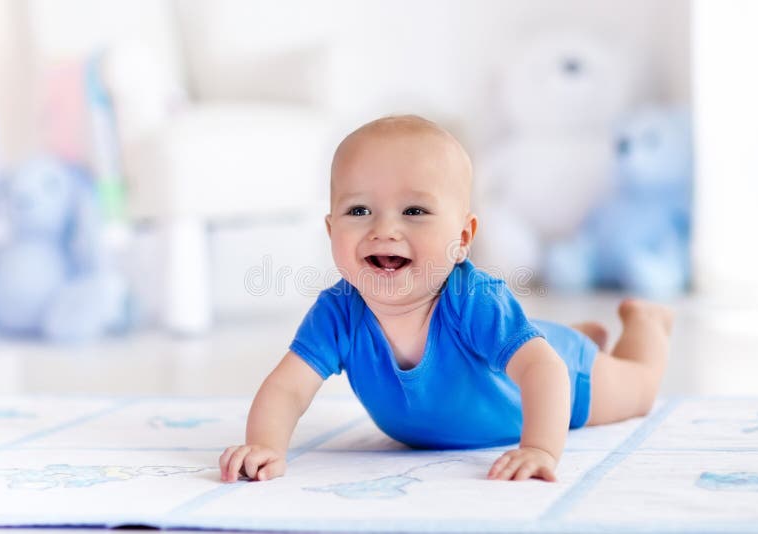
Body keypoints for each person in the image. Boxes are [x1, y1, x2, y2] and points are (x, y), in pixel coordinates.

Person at [219, 115, 671, 483]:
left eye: (414, 211)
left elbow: (543, 370)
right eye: (359, 210)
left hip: (566, 380)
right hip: (523, 357)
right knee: (525, 343)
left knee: (638, 390)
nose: (384, 229)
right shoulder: (338, 312)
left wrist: (538, 448)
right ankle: (571, 334)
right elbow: (287, 388)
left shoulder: (470, 299)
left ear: (462, 238)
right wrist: (265, 445)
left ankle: (645, 324)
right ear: (331, 229)